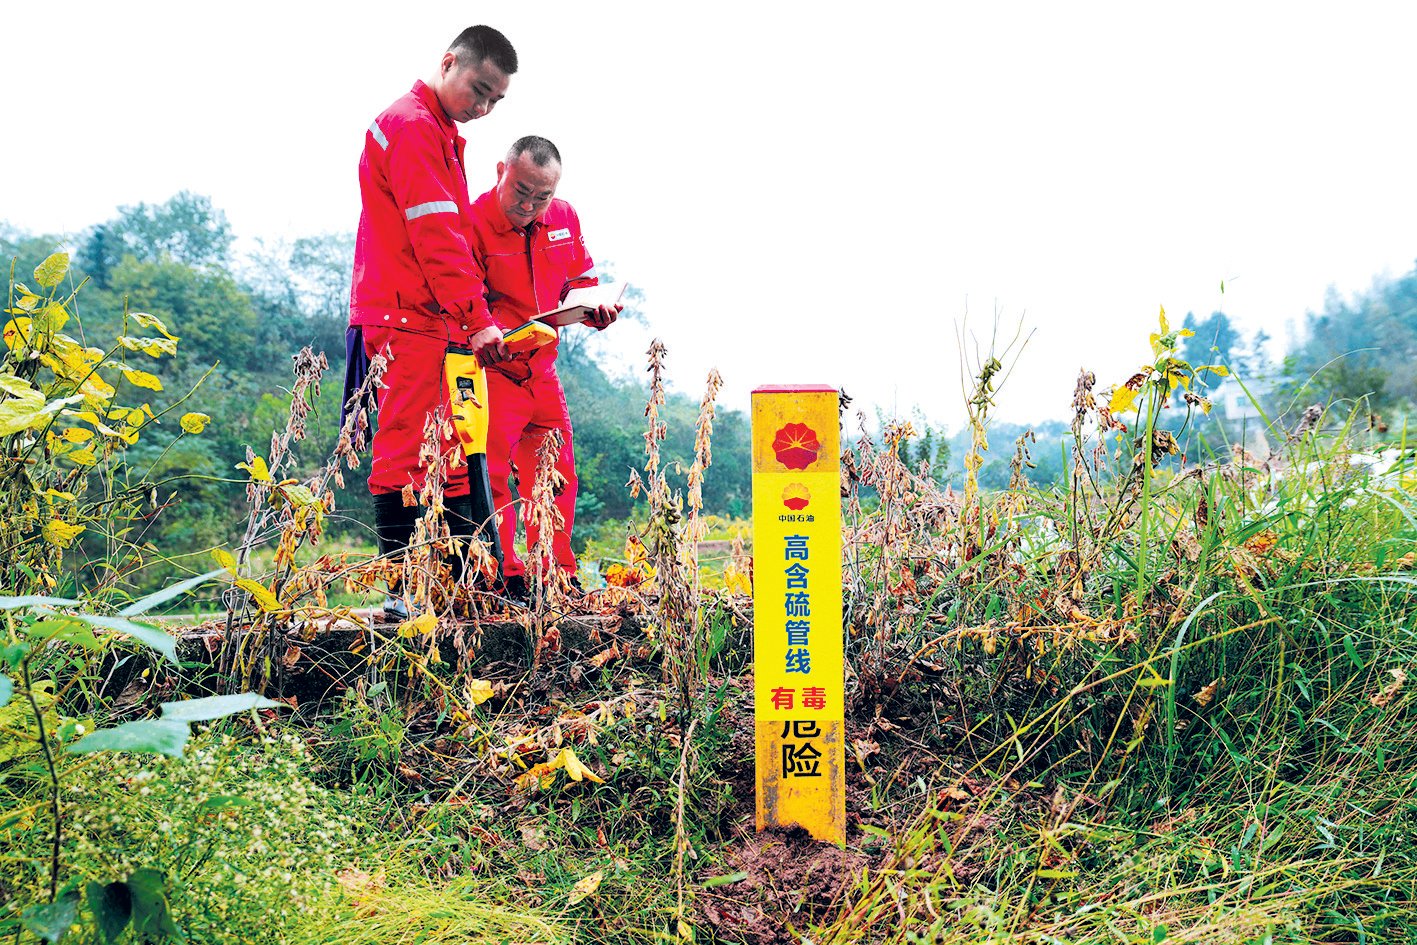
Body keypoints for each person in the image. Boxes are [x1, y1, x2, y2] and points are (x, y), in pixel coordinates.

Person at [344, 26, 517, 616]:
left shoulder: (438, 131)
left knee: (447, 450)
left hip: (430, 318)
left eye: (496, 100)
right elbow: (437, 238)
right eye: (479, 89)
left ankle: (448, 592)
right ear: (449, 64)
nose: (484, 107)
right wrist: (478, 319)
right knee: (408, 453)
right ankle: (406, 597)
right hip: (408, 316)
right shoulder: (414, 127)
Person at [466, 136, 620, 600]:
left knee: (555, 471)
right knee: (490, 473)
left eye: (542, 196)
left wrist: (594, 306)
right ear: (500, 172)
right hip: (491, 370)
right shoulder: (470, 221)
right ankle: (502, 575)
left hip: (543, 367)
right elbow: (462, 293)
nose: (530, 205)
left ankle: (553, 572)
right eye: (521, 191)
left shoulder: (565, 218)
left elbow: (581, 276)